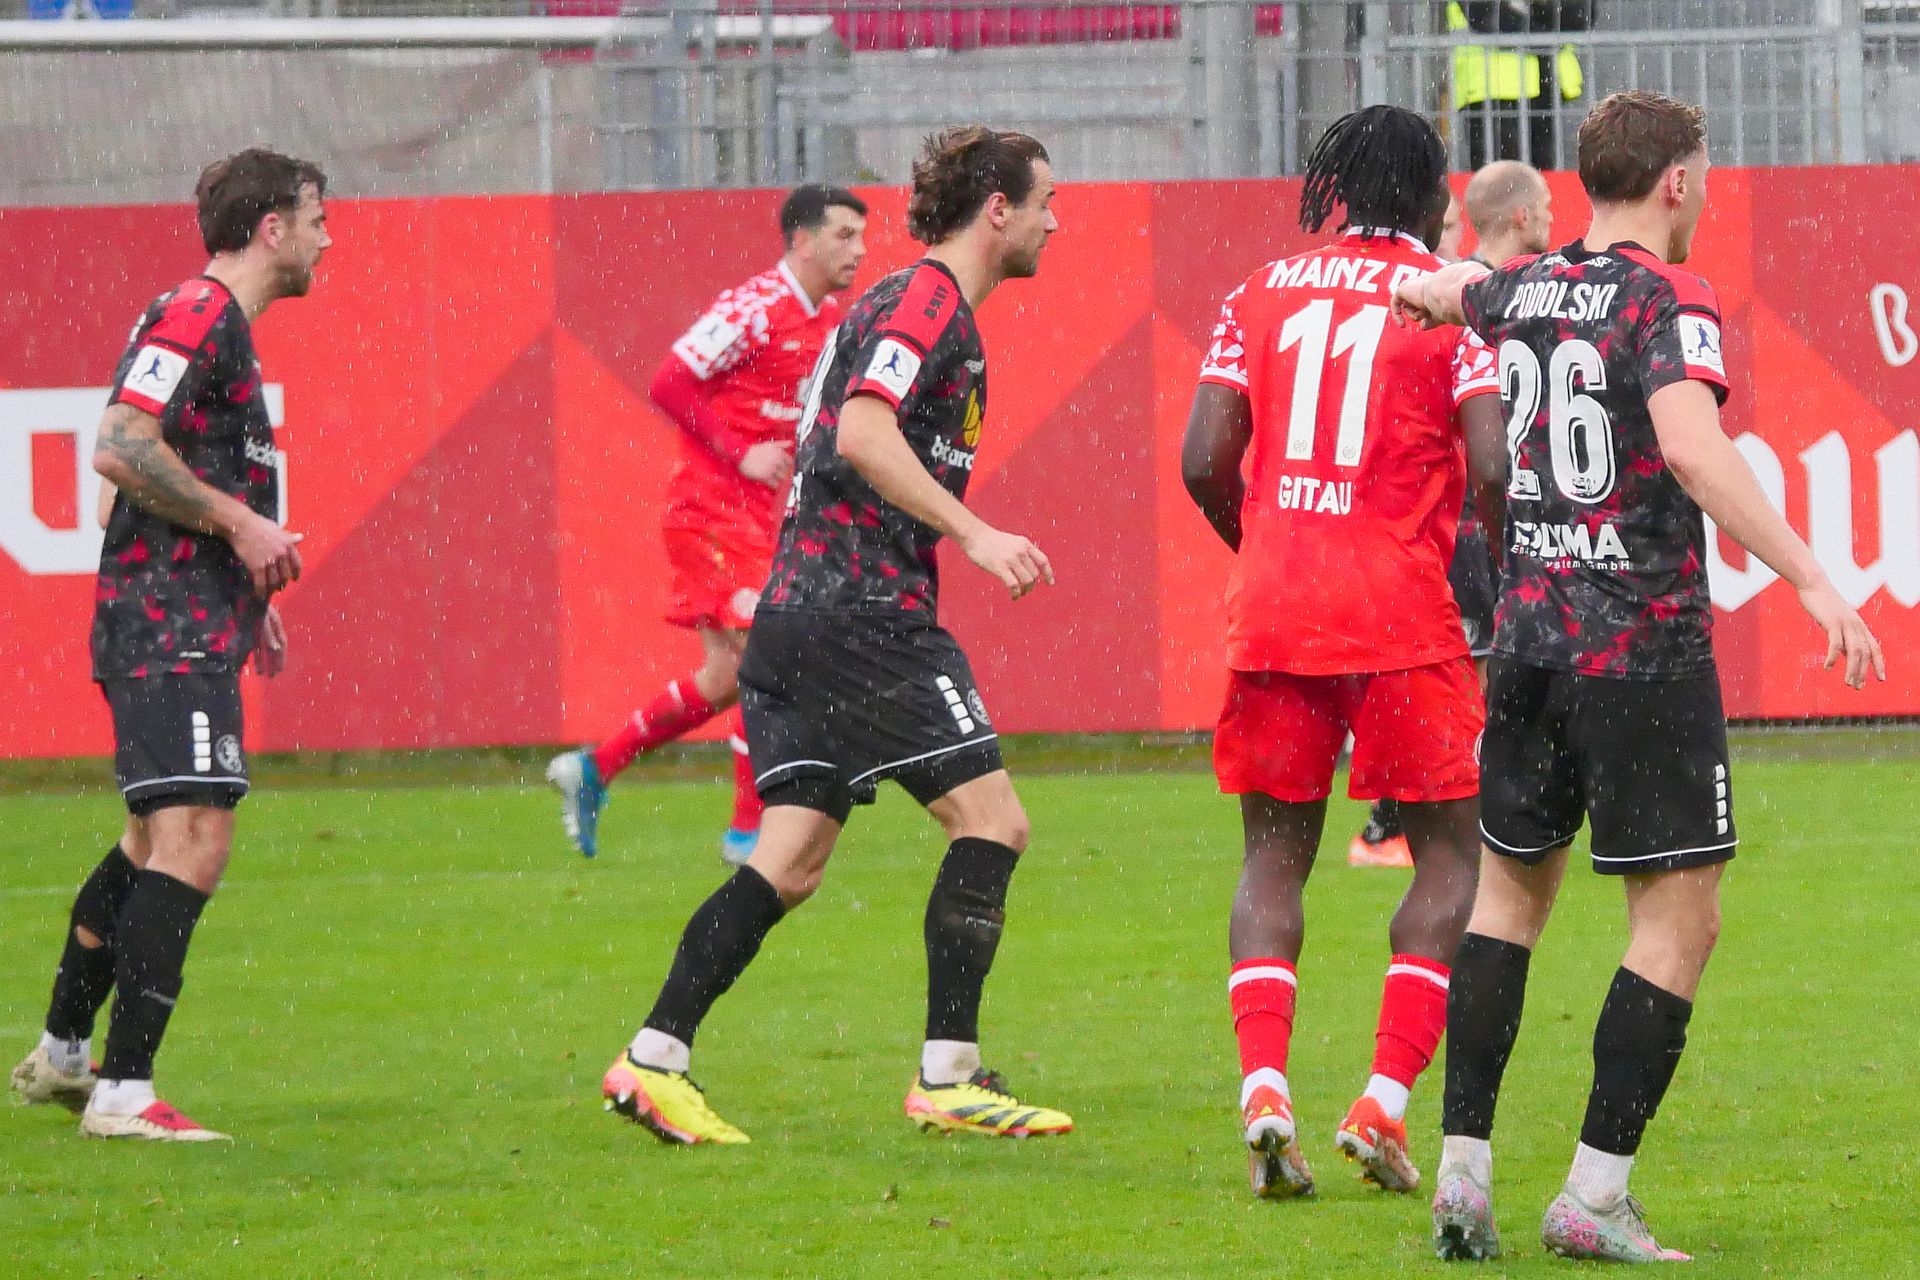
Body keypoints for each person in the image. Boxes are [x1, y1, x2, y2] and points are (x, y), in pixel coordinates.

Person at [1393, 91, 1884, 1262]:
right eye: (1702, 171)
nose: (1704, 189)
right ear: (1674, 181)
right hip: (1640, 656)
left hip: (1526, 647)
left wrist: (1425, 288)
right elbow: (1694, 448)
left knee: (1507, 901)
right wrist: (1814, 578)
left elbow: (1450, 291)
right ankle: (1594, 1193)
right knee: (1679, 918)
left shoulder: (1525, 285)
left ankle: (1462, 1174)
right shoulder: (1669, 296)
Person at [597, 126, 1071, 1146]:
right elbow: (862, 429)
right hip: (863, 614)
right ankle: (949, 1073)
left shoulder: (902, 302)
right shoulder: (926, 302)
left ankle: (653, 1057)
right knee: (993, 822)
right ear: (997, 209)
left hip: (799, 614)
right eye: (1045, 202)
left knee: (791, 859)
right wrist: (975, 533)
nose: (1054, 222)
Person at [1182, 105, 1509, 1199]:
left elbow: (1202, 459)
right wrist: (1508, 568)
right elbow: (1493, 465)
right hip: (1401, 614)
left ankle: (1264, 1090)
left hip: (1277, 606)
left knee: (1273, 859)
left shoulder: (1259, 290)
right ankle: (1381, 1101)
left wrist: (1269, 543)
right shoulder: (1449, 297)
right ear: (1430, 193)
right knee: (1451, 857)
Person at [8, 148, 325, 1141]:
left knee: (151, 839)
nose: (326, 239)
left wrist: (242, 587)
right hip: (163, 625)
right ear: (271, 227)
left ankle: (67, 1051)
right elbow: (118, 447)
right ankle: (124, 1090)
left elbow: (138, 482)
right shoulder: (197, 312)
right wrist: (243, 526)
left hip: (182, 616)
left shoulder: (215, 325)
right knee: (196, 838)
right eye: (317, 218)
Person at [546, 185, 868, 864]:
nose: (859, 250)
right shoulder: (755, 308)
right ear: (802, 241)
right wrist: (739, 451)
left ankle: (596, 767)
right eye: (844, 235)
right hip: (710, 513)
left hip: (756, 519)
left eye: (860, 236)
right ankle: (747, 832)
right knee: (768, 658)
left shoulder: (825, 320)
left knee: (725, 677)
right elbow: (670, 381)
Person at [1349, 159, 1552, 869]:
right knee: (1469, 681)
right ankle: (1395, 826)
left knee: (1478, 680)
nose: (1551, 219)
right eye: (1545, 207)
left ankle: (1430, 821)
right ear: (1521, 216)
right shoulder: (1464, 303)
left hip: (1467, 525)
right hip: (1466, 529)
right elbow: (1482, 448)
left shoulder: (1473, 293)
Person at [1448, 2, 1592, 169]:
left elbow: (1580, 17)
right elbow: (1493, 20)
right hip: (1492, 88)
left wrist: (1535, 20)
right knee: (1501, 173)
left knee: (1542, 172)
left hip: (1546, 83)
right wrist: (1542, 28)